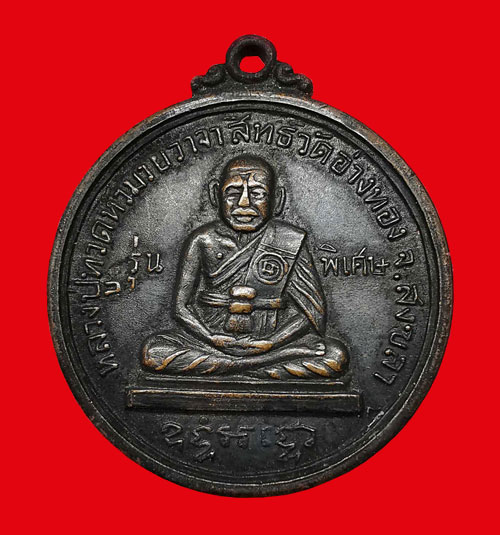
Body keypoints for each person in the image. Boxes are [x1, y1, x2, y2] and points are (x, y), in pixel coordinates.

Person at [141, 154, 349, 380]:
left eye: (258, 194)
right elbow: (181, 307)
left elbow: (310, 313)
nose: (243, 203)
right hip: (210, 341)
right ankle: (260, 364)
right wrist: (212, 338)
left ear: (277, 199)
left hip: (273, 341)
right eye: (233, 193)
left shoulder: (288, 240)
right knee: (154, 352)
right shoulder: (203, 240)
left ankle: (232, 368)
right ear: (215, 195)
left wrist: (271, 342)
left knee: (335, 356)